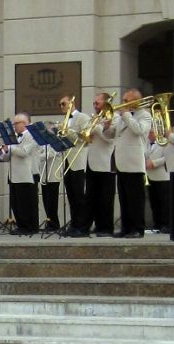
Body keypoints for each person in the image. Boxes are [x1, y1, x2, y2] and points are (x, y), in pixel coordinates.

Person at [112, 89, 151, 238]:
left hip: (134, 162)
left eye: (127, 100)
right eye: (123, 100)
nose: (124, 103)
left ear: (136, 101)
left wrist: (126, 114)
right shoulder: (122, 117)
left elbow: (138, 130)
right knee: (124, 198)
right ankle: (126, 228)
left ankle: (138, 229)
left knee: (135, 198)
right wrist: (108, 125)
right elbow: (114, 134)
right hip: (121, 161)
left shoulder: (145, 115)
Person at [0, 113, 38, 235]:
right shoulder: (14, 137)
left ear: (25, 123)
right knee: (16, 202)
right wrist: (2, 152)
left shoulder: (32, 135)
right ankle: (21, 224)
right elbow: (8, 157)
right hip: (14, 174)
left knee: (26, 202)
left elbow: (24, 152)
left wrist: (10, 147)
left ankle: (29, 226)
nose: (14, 126)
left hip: (26, 174)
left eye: (16, 123)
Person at [85, 92, 118, 236]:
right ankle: (97, 225)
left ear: (105, 104)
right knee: (92, 196)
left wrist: (97, 128)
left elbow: (111, 139)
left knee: (105, 197)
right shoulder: (95, 118)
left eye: (97, 103)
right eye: (94, 103)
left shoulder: (114, 118)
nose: (94, 106)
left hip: (106, 162)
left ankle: (106, 227)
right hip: (92, 160)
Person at [58, 96, 92, 236]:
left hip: (79, 159)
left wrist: (67, 131)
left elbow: (84, 139)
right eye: (60, 104)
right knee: (71, 195)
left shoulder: (82, 117)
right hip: (67, 159)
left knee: (79, 195)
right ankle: (74, 224)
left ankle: (82, 226)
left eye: (63, 103)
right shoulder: (64, 120)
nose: (61, 106)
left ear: (72, 103)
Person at [145, 128, 170, 233]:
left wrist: (154, 163)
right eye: (148, 133)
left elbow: (168, 157)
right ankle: (157, 224)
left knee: (164, 202)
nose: (149, 135)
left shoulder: (165, 142)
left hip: (163, 176)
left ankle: (166, 225)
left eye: (151, 132)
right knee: (153, 201)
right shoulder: (146, 143)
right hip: (150, 176)